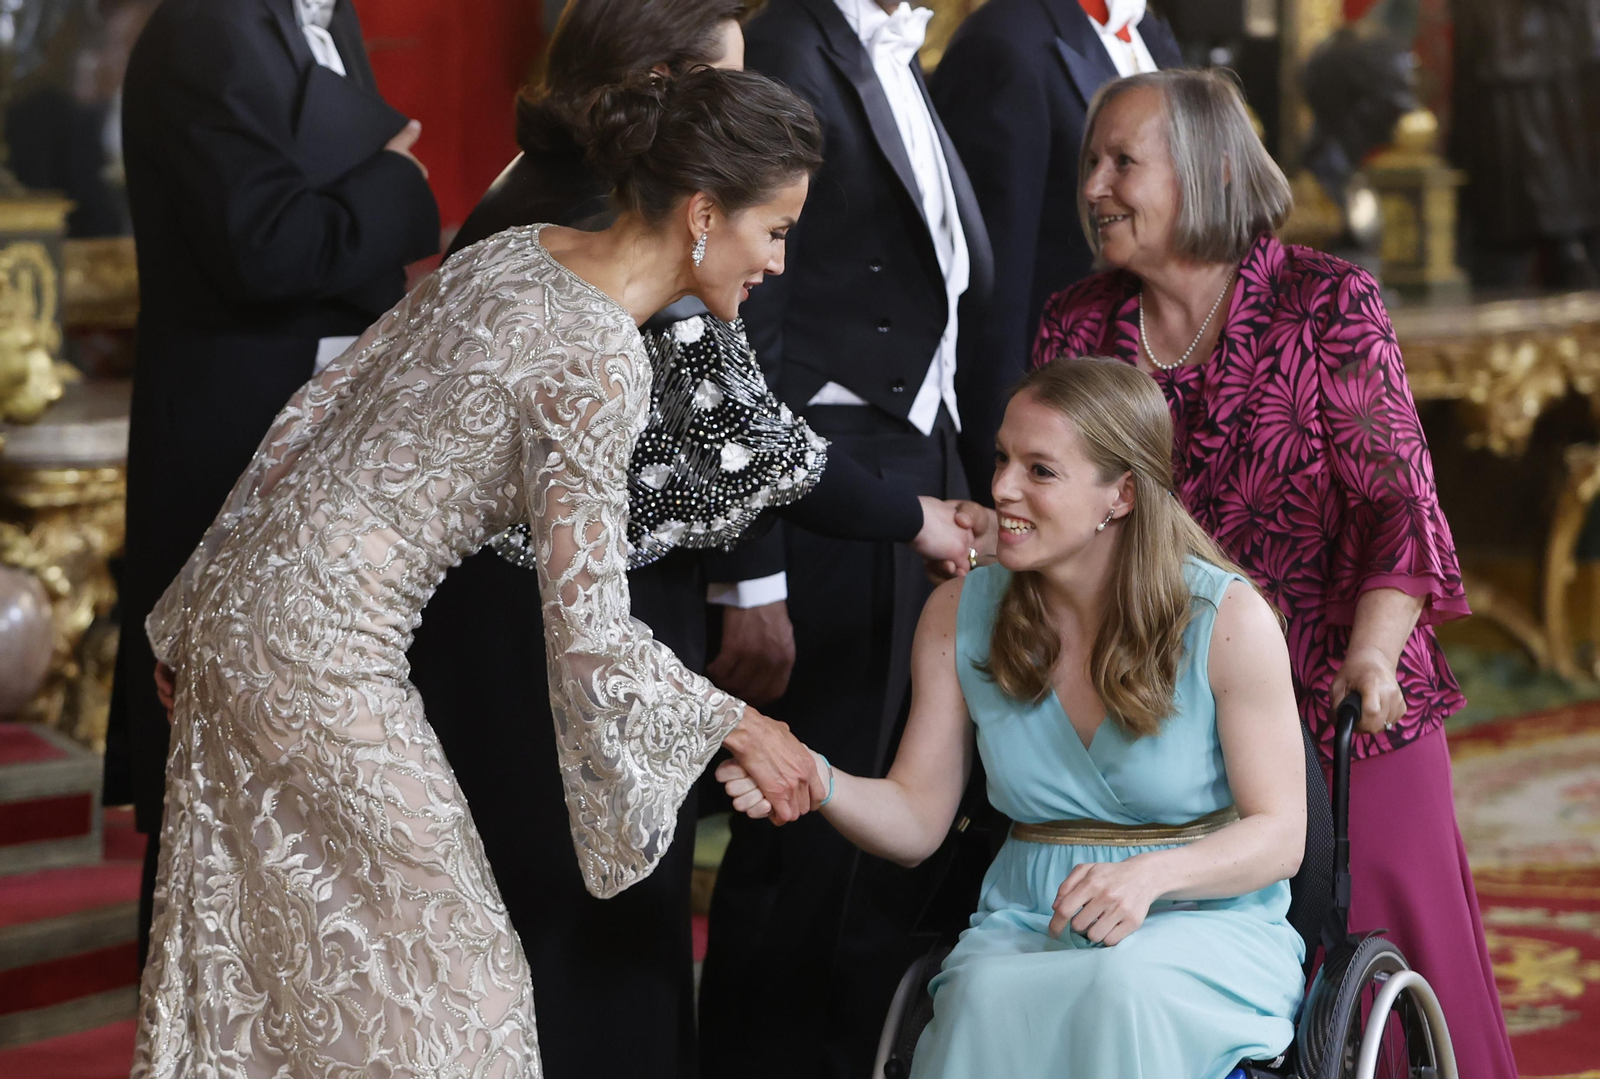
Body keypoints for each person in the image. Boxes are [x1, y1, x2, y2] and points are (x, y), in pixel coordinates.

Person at [131, 67, 831, 1079]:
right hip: (322, 652)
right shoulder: (601, 358)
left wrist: (196, 606)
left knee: (288, 969)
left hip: (252, 611)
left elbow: (313, 412)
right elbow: (590, 634)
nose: (777, 260)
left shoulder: (517, 250)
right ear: (703, 213)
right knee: (467, 991)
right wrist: (744, 723)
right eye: (775, 230)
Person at [407, 4, 981, 1076]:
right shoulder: (615, 224)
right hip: (555, 625)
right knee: (592, 919)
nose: (775, 256)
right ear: (664, 89)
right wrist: (918, 518)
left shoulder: (544, 184)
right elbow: (744, 436)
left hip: (524, 614)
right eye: (724, 84)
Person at [1033, 69, 1517, 1079]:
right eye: (1090, 163)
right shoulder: (1077, 327)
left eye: (1123, 162)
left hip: (1340, 701)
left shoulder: (1324, 302)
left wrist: (1372, 659)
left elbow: (1398, 505)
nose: (1094, 187)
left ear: (1210, 171)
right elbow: (1058, 519)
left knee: (1383, 973)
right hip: (1162, 726)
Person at [720, 357, 1309, 1078]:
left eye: (1041, 470)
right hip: (1030, 920)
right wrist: (820, 779)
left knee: (1121, 987)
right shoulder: (959, 611)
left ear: (1121, 494)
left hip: (1201, 922)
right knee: (980, 999)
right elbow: (917, 820)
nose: (1000, 488)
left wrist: (1150, 877)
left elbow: (1281, 836)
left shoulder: (1226, 618)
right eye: (1002, 459)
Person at [106, 0, 441, 970]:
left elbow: (320, 227)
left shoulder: (314, 16)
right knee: (212, 793)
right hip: (231, 452)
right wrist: (397, 181)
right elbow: (267, 247)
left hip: (319, 445)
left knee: (306, 787)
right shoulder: (205, 27)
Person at [700, 1, 997, 1075]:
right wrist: (750, 573)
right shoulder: (786, 45)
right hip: (819, 490)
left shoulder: (894, 50)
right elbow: (739, 327)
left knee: (897, 810)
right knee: (806, 830)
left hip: (918, 464)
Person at [930, 0, 1181, 470]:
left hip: (1147, 411)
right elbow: (994, 279)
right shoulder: (1004, 43)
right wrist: (999, 463)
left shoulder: (1149, 31)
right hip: (1053, 419)